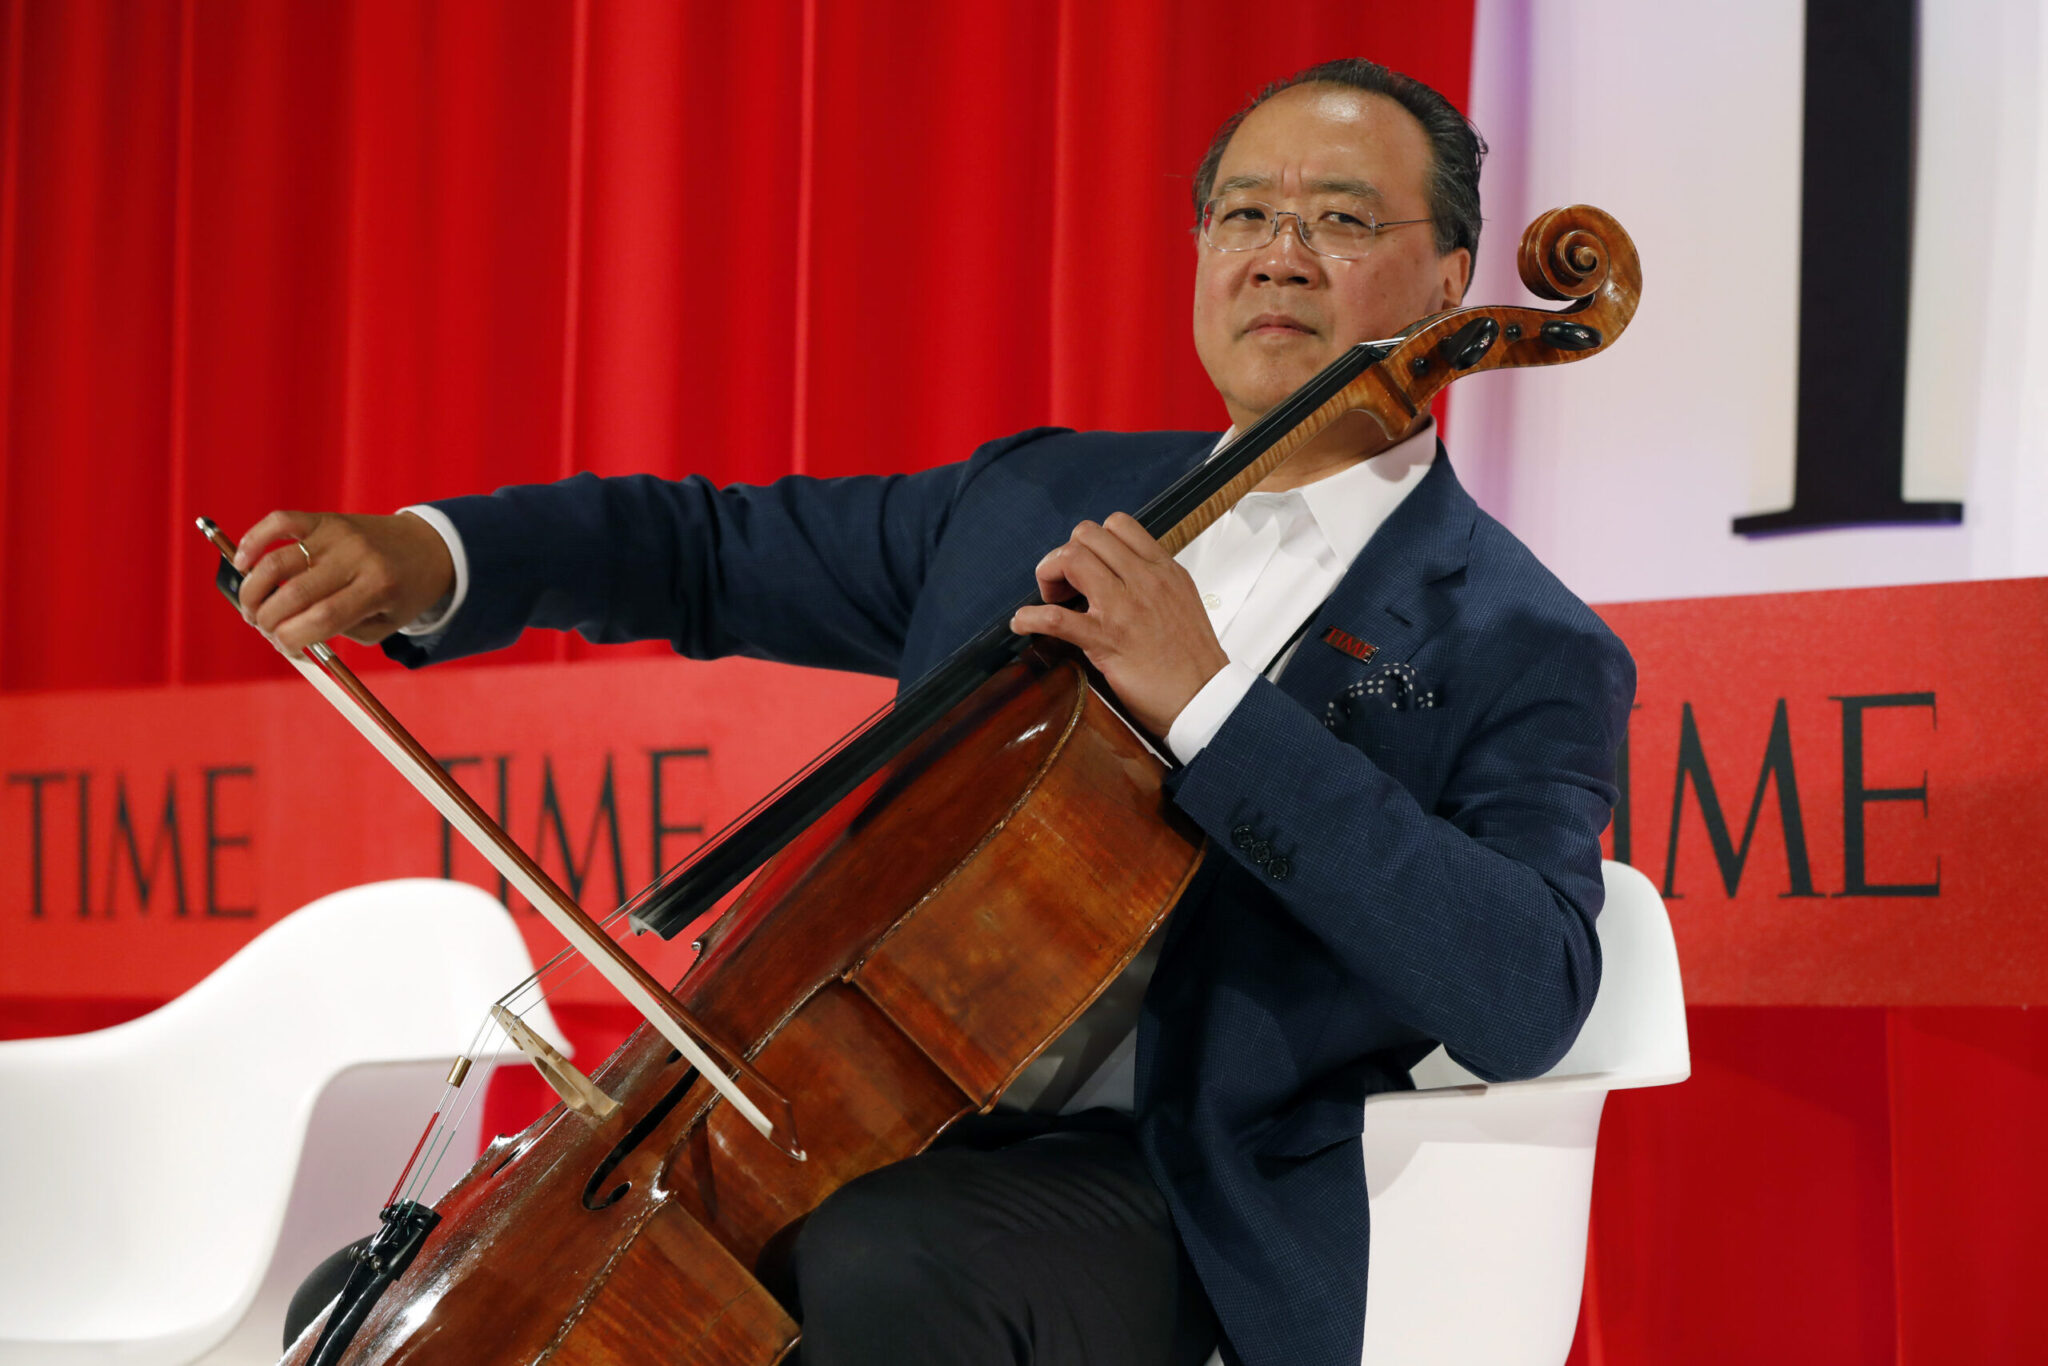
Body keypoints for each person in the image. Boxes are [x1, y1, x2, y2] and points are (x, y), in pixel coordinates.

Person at [245, 58, 1633, 1366]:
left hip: (1168, 1180)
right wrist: (437, 559)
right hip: (848, 1115)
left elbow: (1529, 991)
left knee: (886, 1258)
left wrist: (1210, 698)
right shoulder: (1033, 499)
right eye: (1243, 213)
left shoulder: (1513, 635)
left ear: (1451, 278)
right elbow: (711, 550)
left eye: (1339, 219)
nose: (1278, 251)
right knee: (395, 1299)